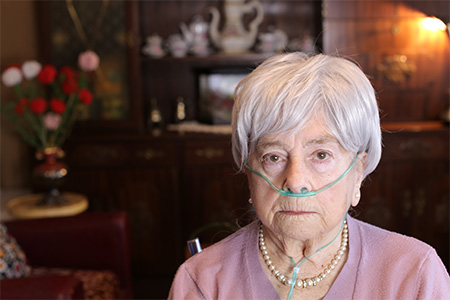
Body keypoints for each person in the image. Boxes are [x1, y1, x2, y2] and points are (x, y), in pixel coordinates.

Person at [168, 52, 450, 300]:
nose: (295, 181)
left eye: (321, 155)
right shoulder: (202, 281)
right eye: (274, 157)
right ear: (248, 170)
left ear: (358, 172)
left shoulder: (415, 273)